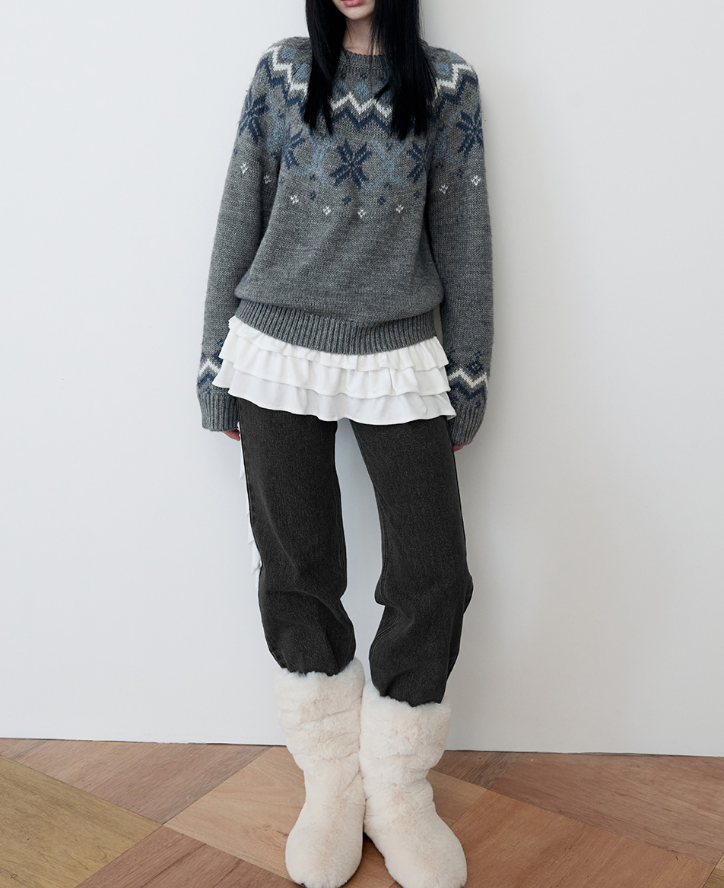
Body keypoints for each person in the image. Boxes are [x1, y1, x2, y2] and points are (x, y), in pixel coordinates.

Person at [196, 0, 493, 886]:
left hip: (399, 354)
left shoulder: (448, 84)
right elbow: (239, 208)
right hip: (274, 349)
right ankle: (332, 783)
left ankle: (397, 789)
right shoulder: (283, 71)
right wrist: (213, 361)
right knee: (297, 568)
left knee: (433, 575)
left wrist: (468, 379)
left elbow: (465, 239)